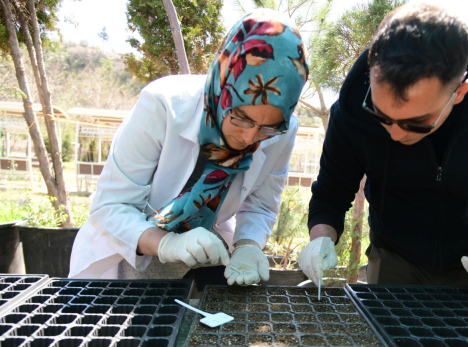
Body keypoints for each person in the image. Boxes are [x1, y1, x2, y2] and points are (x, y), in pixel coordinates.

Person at [298, 2, 468, 286]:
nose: (395, 135)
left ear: (461, 91)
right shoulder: (353, 106)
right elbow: (331, 192)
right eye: (381, 116)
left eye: (416, 121)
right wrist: (320, 240)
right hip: (393, 252)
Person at [69, 9, 309, 291]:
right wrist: (167, 244)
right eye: (241, 117)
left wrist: (247, 245)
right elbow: (110, 206)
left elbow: (260, 205)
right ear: (223, 88)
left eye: (267, 128)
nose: (250, 136)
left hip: (201, 256)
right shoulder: (163, 105)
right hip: (123, 254)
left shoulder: (284, 129)